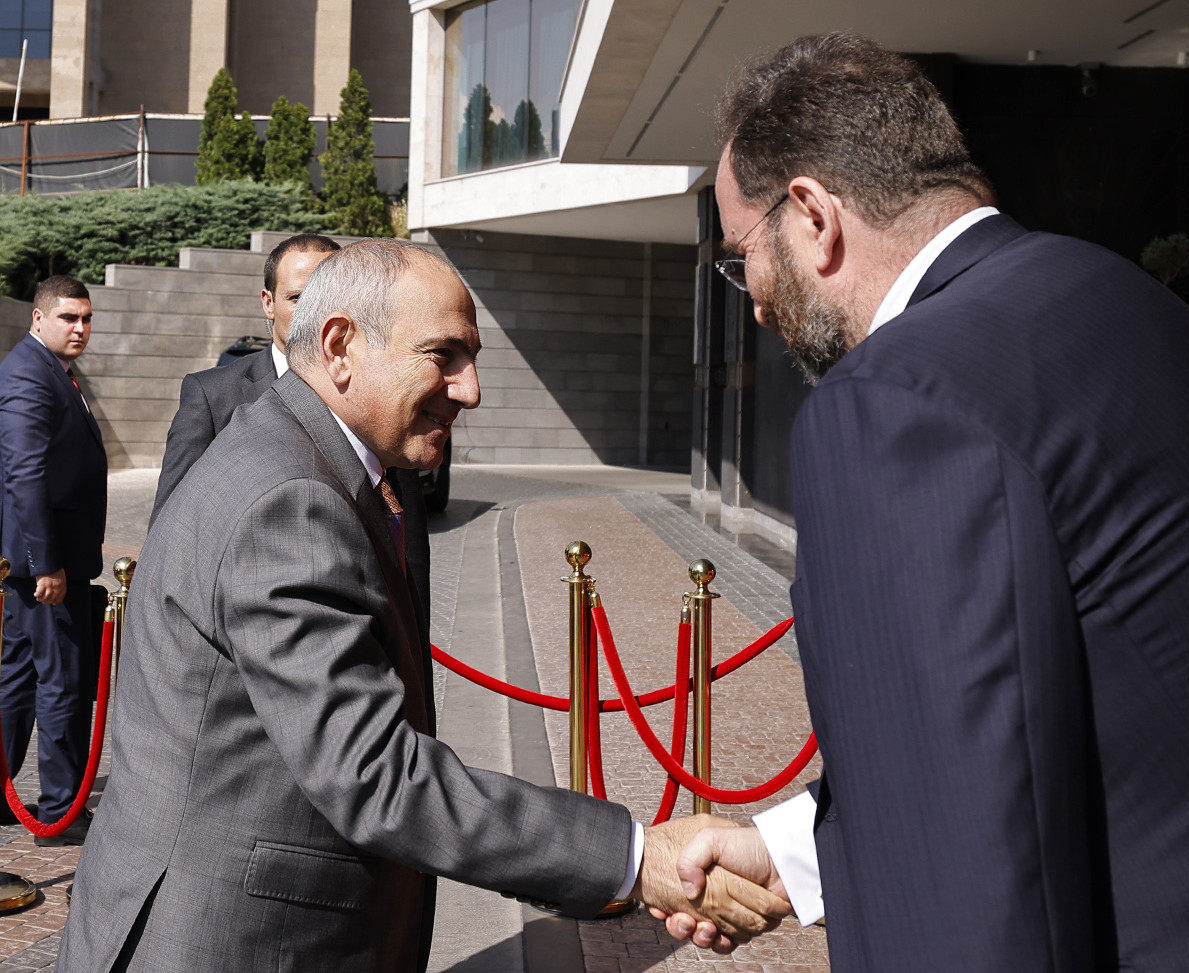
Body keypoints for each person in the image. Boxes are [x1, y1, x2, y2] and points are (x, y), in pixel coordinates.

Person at [658, 33, 1189, 971]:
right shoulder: (1122, 298)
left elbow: (966, 892)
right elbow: (1105, 705)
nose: (755, 301)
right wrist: (796, 854)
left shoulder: (894, 399)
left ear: (813, 215)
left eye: (743, 256)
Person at [59, 240, 788, 971]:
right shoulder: (292, 500)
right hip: (230, 941)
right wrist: (634, 856)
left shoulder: (301, 456)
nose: (470, 390)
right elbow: (376, 774)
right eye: (444, 355)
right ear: (340, 346)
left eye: (472, 358)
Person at [151, 233, 433, 636]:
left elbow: (409, 550)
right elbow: (170, 535)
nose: (313, 311)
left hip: (366, 628)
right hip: (245, 636)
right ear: (268, 303)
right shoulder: (213, 397)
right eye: (299, 297)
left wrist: (414, 648)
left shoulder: (379, 398)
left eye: (328, 296)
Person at [0, 275, 107, 846]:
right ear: (38, 318)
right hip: (46, 566)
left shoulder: (51, 369)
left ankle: (2, 795)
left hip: (41, 562)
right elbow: (24, 475)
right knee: (62, 680)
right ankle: (61, 810)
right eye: (69, 318)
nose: (80, 328)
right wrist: (46, 564)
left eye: (86, 318)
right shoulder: (28, 374)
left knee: (18, 676)